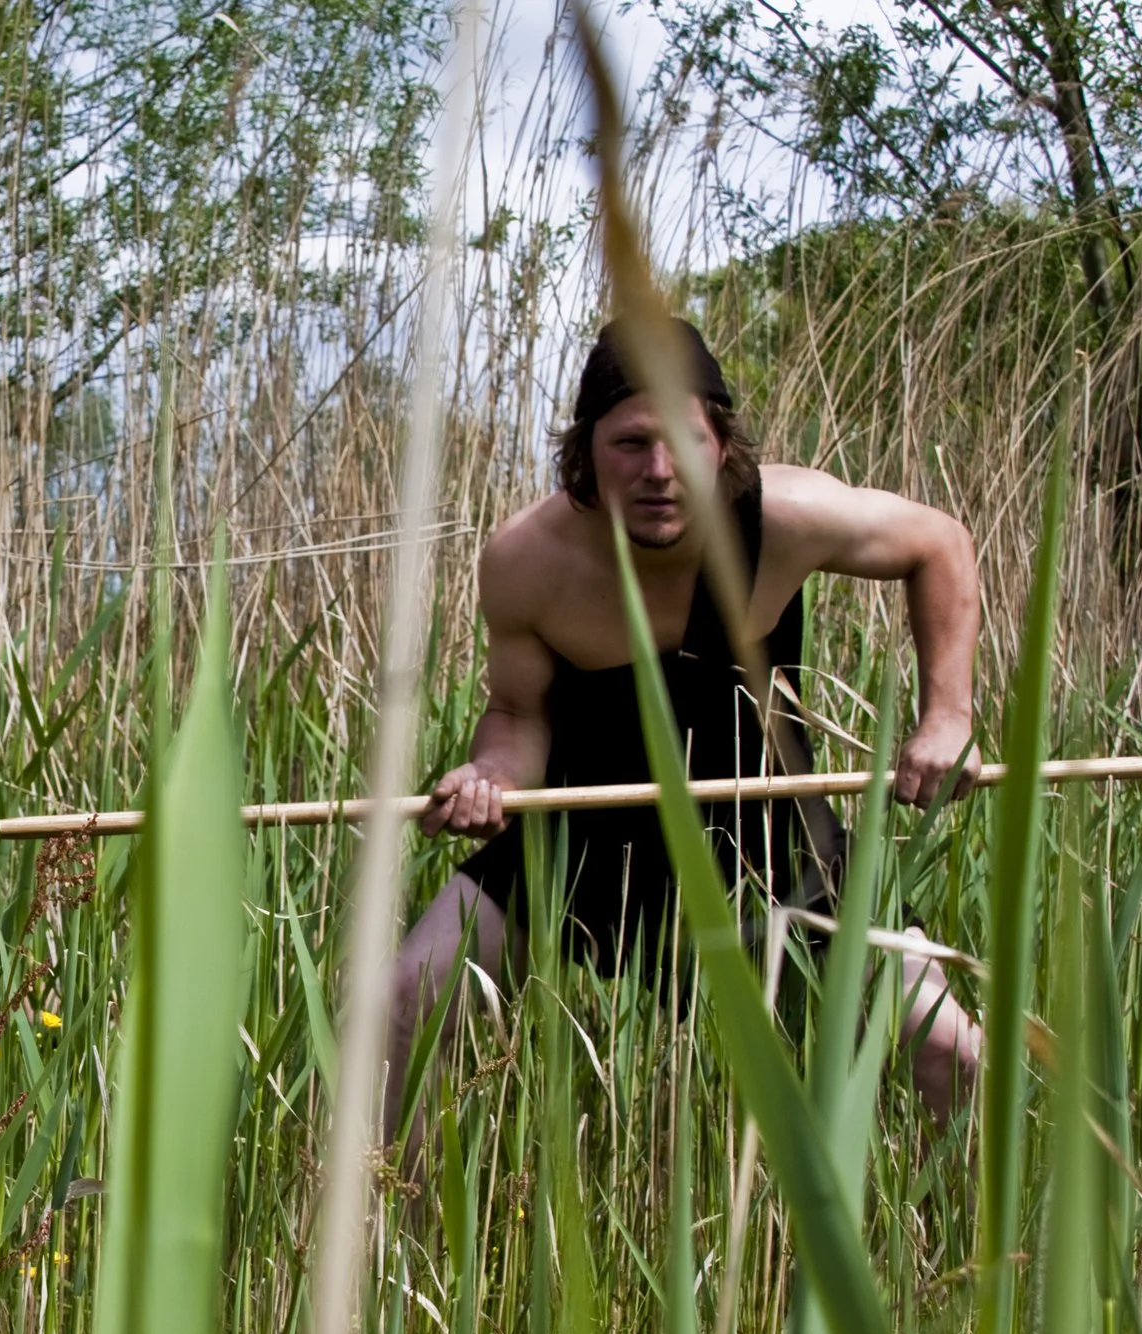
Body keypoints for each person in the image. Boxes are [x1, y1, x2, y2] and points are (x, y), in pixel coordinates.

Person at [388, 319, 985, 1133]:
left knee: (950, 1049)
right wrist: (489, 777)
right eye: (631, 442)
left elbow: (939, 543)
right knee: (398, 1008)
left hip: (775, 838)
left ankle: (939, 1253)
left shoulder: (785, 517)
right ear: (585, 451)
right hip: (583, 840)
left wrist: (946, 717)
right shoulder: (527, 560)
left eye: (682, 440)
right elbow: (517, 715)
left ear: (721, 445)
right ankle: (397, 1243)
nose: (659, 471)